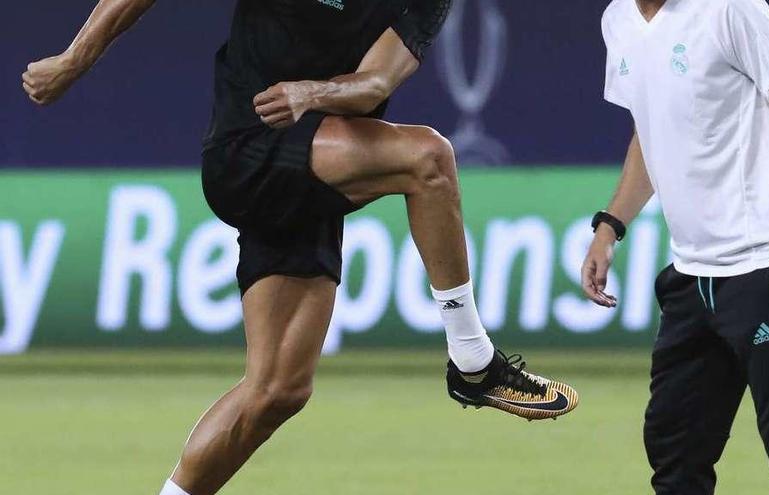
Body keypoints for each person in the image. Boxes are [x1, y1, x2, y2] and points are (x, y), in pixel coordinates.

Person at [22, 1, 578, 494]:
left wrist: (312, 92)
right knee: (428, 159)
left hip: (312, 162)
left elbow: (376, 82)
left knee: (277, 390)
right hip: (247, 144)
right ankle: (473, 358)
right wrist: (75, 59)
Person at [584, 0, 769, 493]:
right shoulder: (617, 21)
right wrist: (611, 225)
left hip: (768, 268)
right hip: (691, 280)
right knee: (674, 457)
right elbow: (652, 128)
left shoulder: (733, 9)